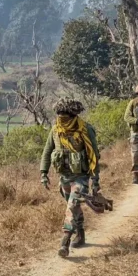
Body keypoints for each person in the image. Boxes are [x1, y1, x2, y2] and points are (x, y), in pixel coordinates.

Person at [40, 98, 101, 258]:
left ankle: (65, 241)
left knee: (72, 205)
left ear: (73, 115)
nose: (61, 119)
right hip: (64, 177)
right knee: (73, 206)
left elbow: (94, 155)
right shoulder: (55, 130)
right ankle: (80, 233)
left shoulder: (85, 129)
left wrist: (95, 181)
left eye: (65, 116)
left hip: (81, 177)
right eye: (59, 115)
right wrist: (43, 173)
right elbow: (47, 151)